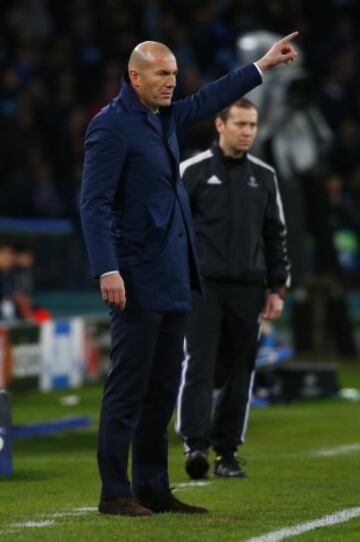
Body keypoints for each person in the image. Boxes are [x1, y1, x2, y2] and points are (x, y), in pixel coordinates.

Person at [80, 36, 297, 517]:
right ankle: (115, 490)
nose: (172, 82)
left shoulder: (164, 118)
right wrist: (107, 268)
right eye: (162, 75)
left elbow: (209, 98)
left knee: (160, 391)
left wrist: (260, 66)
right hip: (135, 277)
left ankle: (153, 486)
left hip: (175, 276)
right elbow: (92, 203)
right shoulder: (111, 127)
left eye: (174, 74)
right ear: (136, 77)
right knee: (127, 390)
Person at [176, 98, 290, 480]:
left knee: (242, 369)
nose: (247, 132)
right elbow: (170, 229)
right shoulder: (191, 171)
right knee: (200, 365)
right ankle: (195, 446)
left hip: (248, 288)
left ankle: (227, 453)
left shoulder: (264, 176)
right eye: (240, 124)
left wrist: (277, 287)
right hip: (203, 287)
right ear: (220, 125)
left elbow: (275, 235)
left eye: (253, 125)